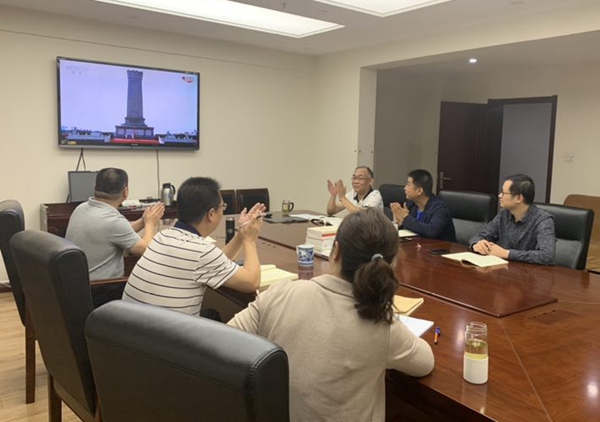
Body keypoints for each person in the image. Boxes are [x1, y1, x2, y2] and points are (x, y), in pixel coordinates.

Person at [228, 208, 434, 421]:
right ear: (390, 265)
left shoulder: (280, 294)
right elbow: (425, 363)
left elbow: (224, 342)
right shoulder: (382, 323)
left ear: (335, 251)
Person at [122, 177, 264, 319]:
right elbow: (252, 282)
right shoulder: (201, 252)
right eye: (222, 207)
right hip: (166, 331)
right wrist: (249, 240)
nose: (223, 210)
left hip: (132, 326)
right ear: (211, 214)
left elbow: (215, 262)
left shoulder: (162, 236)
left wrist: (241, 233)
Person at [65, 167, 165, 307]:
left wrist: (143, 221)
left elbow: (117, 233)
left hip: (77, 289)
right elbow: (144, 250)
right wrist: (150, 224)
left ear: (95, 187)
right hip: (101, 292)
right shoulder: (112, 221)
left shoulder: (82, 208)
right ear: (125, 192)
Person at [470, 174, 556, 265]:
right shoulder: (504, 214)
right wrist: (477, 244)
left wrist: (507, 254)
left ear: (518, 198)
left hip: (529, 272)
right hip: (503, 268)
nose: (499, 195)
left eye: (504, 193)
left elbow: (547, 256)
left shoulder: (543, 220)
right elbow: (481, 235)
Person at [390, 169, 456, 242]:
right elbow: (413, 228)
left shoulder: (440, 208)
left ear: (419, 191)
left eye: (408, 185)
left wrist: (406, 219)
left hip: (441, 247)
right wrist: (400, 223)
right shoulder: (411, 204)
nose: (405, 188)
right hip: (420, 245)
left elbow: (431, 231)